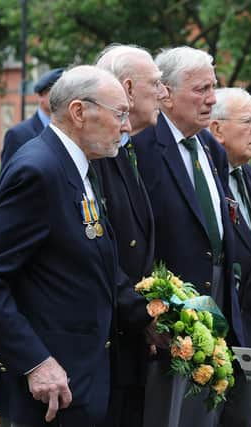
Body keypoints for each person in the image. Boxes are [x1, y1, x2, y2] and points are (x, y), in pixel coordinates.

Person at [0, 65, 155, 427]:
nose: (126, 127)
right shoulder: (39, 170)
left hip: (83, 381)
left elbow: (98, 262)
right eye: (120, 114)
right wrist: (35, 363)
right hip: (51, 393)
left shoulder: (79, 166)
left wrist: (146, 317)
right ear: (79, 112)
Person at [133, 46, 245, 427]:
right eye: (201, 89)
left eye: (214, 87)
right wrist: (149, 313)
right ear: (165, 92)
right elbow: (134, 235)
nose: (212, 98)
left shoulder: (210, 148)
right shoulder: (142, 147)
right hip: (167, 322)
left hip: (213, 317)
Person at [92, 44, 167, 427]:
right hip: (103, 342)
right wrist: (144, 315)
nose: (163, 92)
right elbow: (99, 252)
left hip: (128, 337)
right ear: (128, 87)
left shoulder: (125, 151)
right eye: (156, 83)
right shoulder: (96, 157)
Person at [209, 87, 251, 427]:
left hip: (247, 334)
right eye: (247, 121)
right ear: (217, 129)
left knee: (243, 418)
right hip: (212, 331)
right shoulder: (206, 177)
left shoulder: (247, 176)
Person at [0, 67, 64, 166]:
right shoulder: (17, 135)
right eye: (56, 92)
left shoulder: (69, 129)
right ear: (40, 96)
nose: (62, 97)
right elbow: (9, 178)